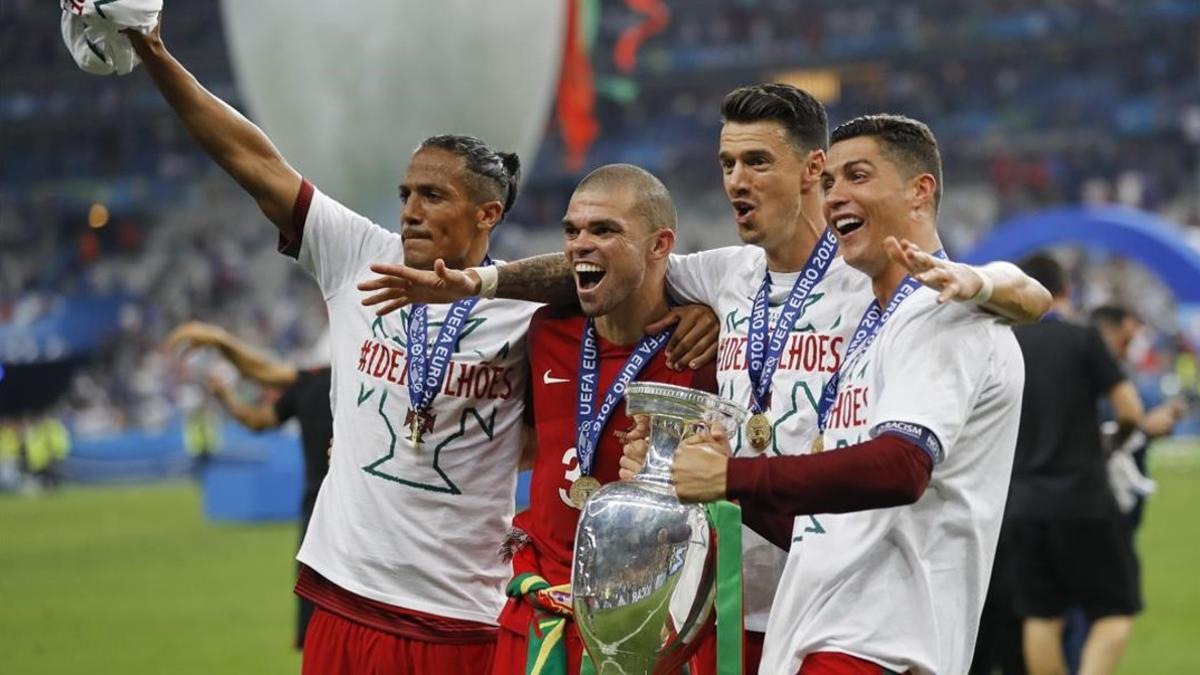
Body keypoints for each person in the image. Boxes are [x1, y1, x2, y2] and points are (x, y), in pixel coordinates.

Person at [357, 84, 1051, 674]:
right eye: (726, 163)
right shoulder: (726, 277)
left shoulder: (880, 284)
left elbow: (998, 308)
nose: (736, 180)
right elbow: (609, 263)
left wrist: (992, 280)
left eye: (756, 161)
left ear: (811, 170)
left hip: (864, 605)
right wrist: (477, 281)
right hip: (732, 597)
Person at [122, 19, 715, 672]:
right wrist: (154, 52)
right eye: (407, 193)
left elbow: (618, 267)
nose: (410, 210)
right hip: (344, 595)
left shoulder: (530, 314)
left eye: (433, 196)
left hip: (462, 615)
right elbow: (252, 161)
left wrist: (699, 308)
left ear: (487, 214)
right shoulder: (357, 254)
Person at [622, 114, 1029, 675]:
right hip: (827, 622)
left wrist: (729, 478)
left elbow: (903, 469)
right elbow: (829, 525)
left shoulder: (941, 310)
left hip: (883, 638)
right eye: (832, 182)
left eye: (858, 176)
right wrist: (694, 477)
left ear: (921, 190)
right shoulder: (874, 328)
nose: (836, 196)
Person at [492, 164, 718, 674]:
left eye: (604, 230)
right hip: (537, 617)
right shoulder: (547, 330)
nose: (579, 244)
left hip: (641, 631)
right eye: (572, 231)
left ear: (660, 245)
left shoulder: (703, 351)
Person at [1005, 259, 1181, 675]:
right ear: (1064, 289)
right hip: (1082, 497)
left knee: (1042, 618)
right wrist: (1110, 444)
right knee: (1115, 611)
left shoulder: (1006, 343)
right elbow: (1131, 412)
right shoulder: (1082, 339)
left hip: (1021, 502)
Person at [165, 320, 333, 649]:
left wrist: (222, 353)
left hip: (316, 517)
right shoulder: (364, 378)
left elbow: (259, 411)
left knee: (315, 629)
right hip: (354, 513)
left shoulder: (309, 382)